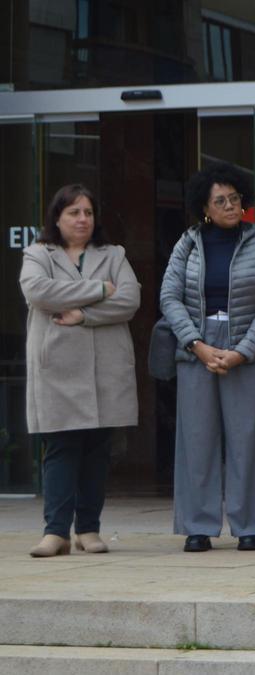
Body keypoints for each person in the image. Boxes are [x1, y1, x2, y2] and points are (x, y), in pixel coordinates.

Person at [161, 161, 255, 553]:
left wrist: (241, 352)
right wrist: (196, 344)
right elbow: (169, 298)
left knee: (246, 439)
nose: (231, 206)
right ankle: (198, 526)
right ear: (205, 208)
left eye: (235, 198)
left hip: (244, 347)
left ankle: (249, 526)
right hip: (197, 347)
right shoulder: (187, 244)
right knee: (197, 439)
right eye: (220, 201)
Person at [20, 184, 140, 558]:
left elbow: (130, 298)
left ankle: (88, 529)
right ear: (57, 217)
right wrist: (100, 289)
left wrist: (83, 315)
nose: (82, 219)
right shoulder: (38, 253)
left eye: (87, 212)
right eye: (73, 212)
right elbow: (37, 292)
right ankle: (55, 532)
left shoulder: (113, 254)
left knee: (96, 451)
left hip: (105, 369)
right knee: (61, 448)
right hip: (56, 368)